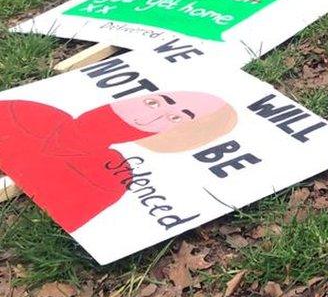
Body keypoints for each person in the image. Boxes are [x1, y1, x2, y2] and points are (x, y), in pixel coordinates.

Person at [0, 92, 236, 231]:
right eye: (155, 101)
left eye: (175, 118)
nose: (153, 112)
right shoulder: (29, 112)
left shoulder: (107, 178)